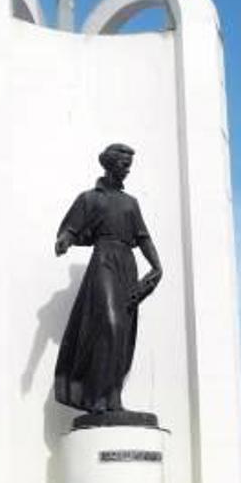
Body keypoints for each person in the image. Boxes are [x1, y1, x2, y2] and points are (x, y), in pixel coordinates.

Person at [54, 144, 162, 419]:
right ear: (110, 164)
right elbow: (70, 228)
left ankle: (113, 397)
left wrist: (157, 266)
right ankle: (95, 397)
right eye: (124, 164)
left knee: (123, 333)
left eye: (129, 165)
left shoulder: (130, 202)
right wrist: (65, 240)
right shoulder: (90, 198)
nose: (128, 170)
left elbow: (143, 237)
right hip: (103, 260)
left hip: (127, 262)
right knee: (110, 325)